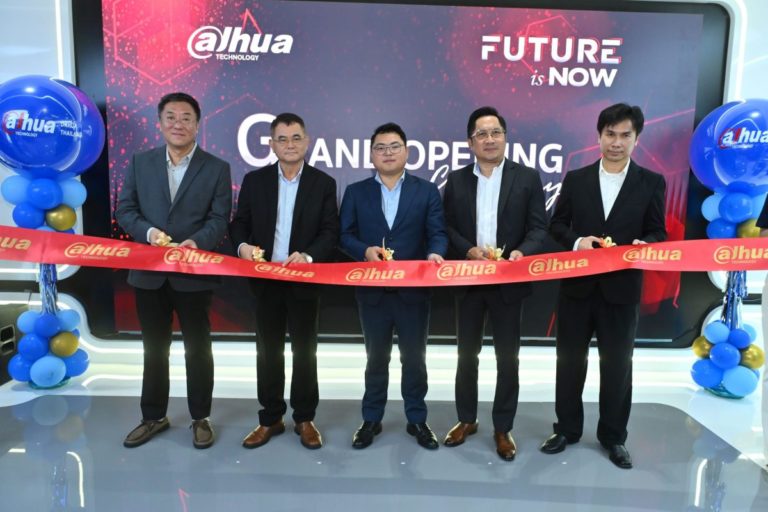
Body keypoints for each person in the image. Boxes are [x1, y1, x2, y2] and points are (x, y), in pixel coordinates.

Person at [542, 103, 667, 469]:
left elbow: (657, 231)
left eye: (625, 135)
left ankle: (614, 437)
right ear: (599, 136)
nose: (616, 142)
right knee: (569, 363)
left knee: (617, 368)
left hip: (622, 291)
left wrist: (646, 246)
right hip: (577, 289)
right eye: (610, 134)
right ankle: (566, 429)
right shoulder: (576, 178)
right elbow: (556, 225)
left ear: (636, 139)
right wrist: (578, 241)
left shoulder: (651, 182)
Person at [116, 92, 232, 449]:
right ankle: (153, 416)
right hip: (149, 273)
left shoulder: (217, 168)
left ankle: (200, 418)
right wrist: (149, 233)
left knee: (198, 350)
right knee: (154, 349)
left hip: (193, 274)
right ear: (160, 123)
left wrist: (197, 242)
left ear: (197, 124)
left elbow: (219, 218)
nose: (178, 124)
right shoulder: (140, 162)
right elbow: (125, 210)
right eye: (171, 117)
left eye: (186, 118)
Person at [442, 106, 548, 461]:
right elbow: (446, 226)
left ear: (505, 137)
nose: (489, 139)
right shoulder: (457, 180)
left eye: (495, 132)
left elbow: (539, 227)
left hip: (509, 282)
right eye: (482, 134)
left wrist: (521, 252)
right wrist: (467, 249)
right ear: (470, 142)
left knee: (508, 358)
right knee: (465, 355)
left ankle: (503, 428)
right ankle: (466, 419)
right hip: (469, 280)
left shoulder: (527, 177)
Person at [230, 113, 339, 450]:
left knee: (305, 352)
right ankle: (270, 418)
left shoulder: (323, 183)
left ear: (307, 142)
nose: (289, 145)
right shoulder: (255, 180)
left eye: (295, 138)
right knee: (268, 352)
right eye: (282, 139)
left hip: (304, 280)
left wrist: (308, 256)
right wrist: (243, 247)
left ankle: (304, 418)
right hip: (265, 281)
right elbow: (239, 223)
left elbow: (330, 232)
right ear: (272, 144)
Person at [339, 122, 448, 450]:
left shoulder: (426, 190)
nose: (387, 152)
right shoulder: (356, 192)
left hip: (413, 291)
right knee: (376, 359)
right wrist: (364, 251)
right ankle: (371, 418)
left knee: (414, 359)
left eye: (394, 146)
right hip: (372, 293)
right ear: (371, 155)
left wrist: (435, 253)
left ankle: (417, 418)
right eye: (380, 147)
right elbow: (344, 235)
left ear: (407, 152)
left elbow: (438, 233)